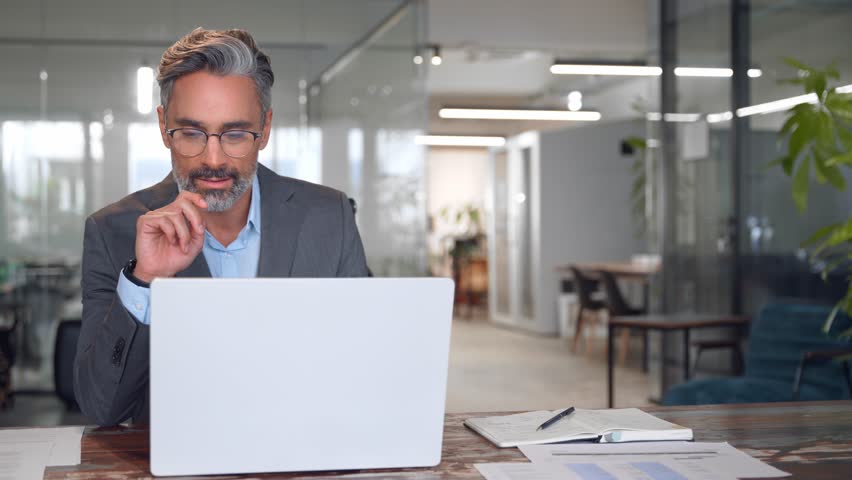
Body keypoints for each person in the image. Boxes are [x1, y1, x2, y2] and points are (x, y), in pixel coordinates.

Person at [74, 28, 369, 426]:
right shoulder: (112, 232)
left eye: (234, 134)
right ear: (164, 127)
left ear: (264, 129)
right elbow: (101, 408)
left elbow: (364, 362)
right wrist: (144, 279)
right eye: (192, 133)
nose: (213, 159)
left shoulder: (329, 216)